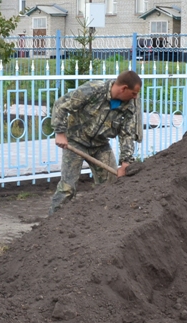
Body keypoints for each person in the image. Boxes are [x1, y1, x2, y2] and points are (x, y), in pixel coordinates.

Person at [49, 70, 142, 215]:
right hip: (75, 141)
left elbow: (127, 133)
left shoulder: (130, 105)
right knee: (67, 188)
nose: (136, 97)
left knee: (110, 185)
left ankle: (103, 222)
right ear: (123, 88)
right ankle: (52, 224)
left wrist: (126, 161)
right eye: (134, 93)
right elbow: (61, 105)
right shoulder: (94, 90)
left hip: (100, 145)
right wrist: (60, 133)